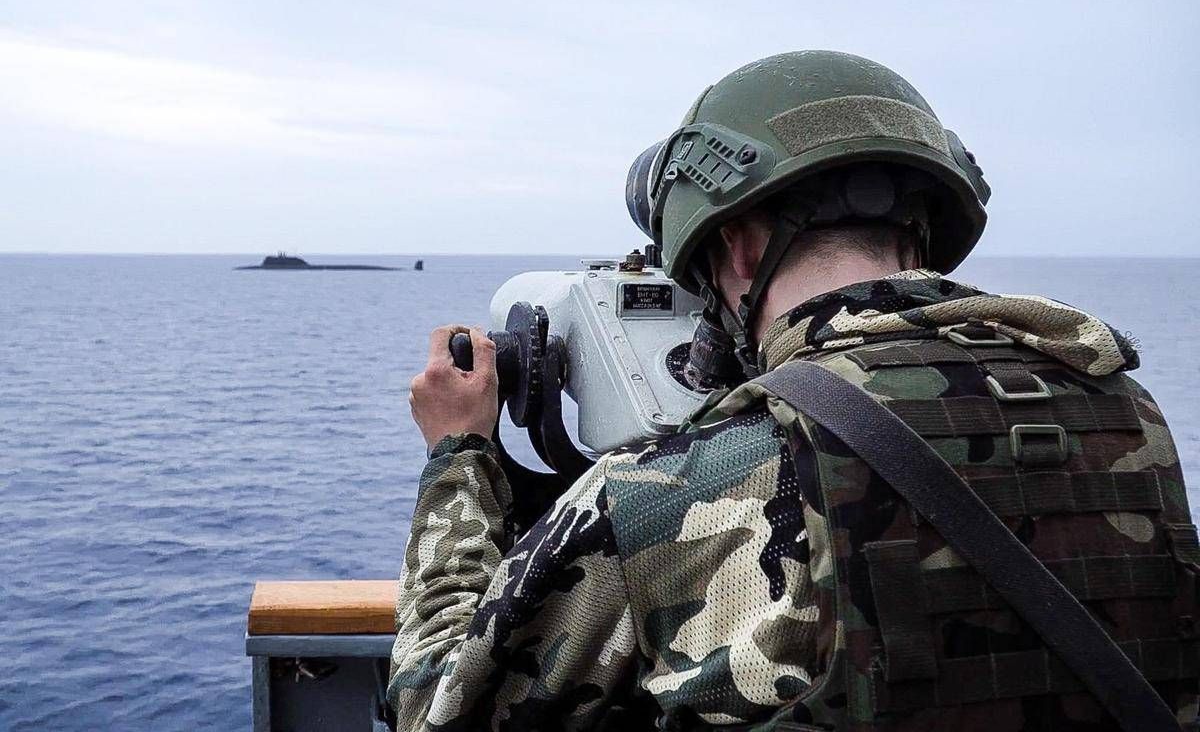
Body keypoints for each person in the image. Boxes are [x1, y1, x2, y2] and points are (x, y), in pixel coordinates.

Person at [388, 51, 1198, 731]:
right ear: (923, 231)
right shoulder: (1123, 413)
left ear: (738, 248)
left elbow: (435, 708)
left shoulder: (666, 489)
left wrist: (460, 455)